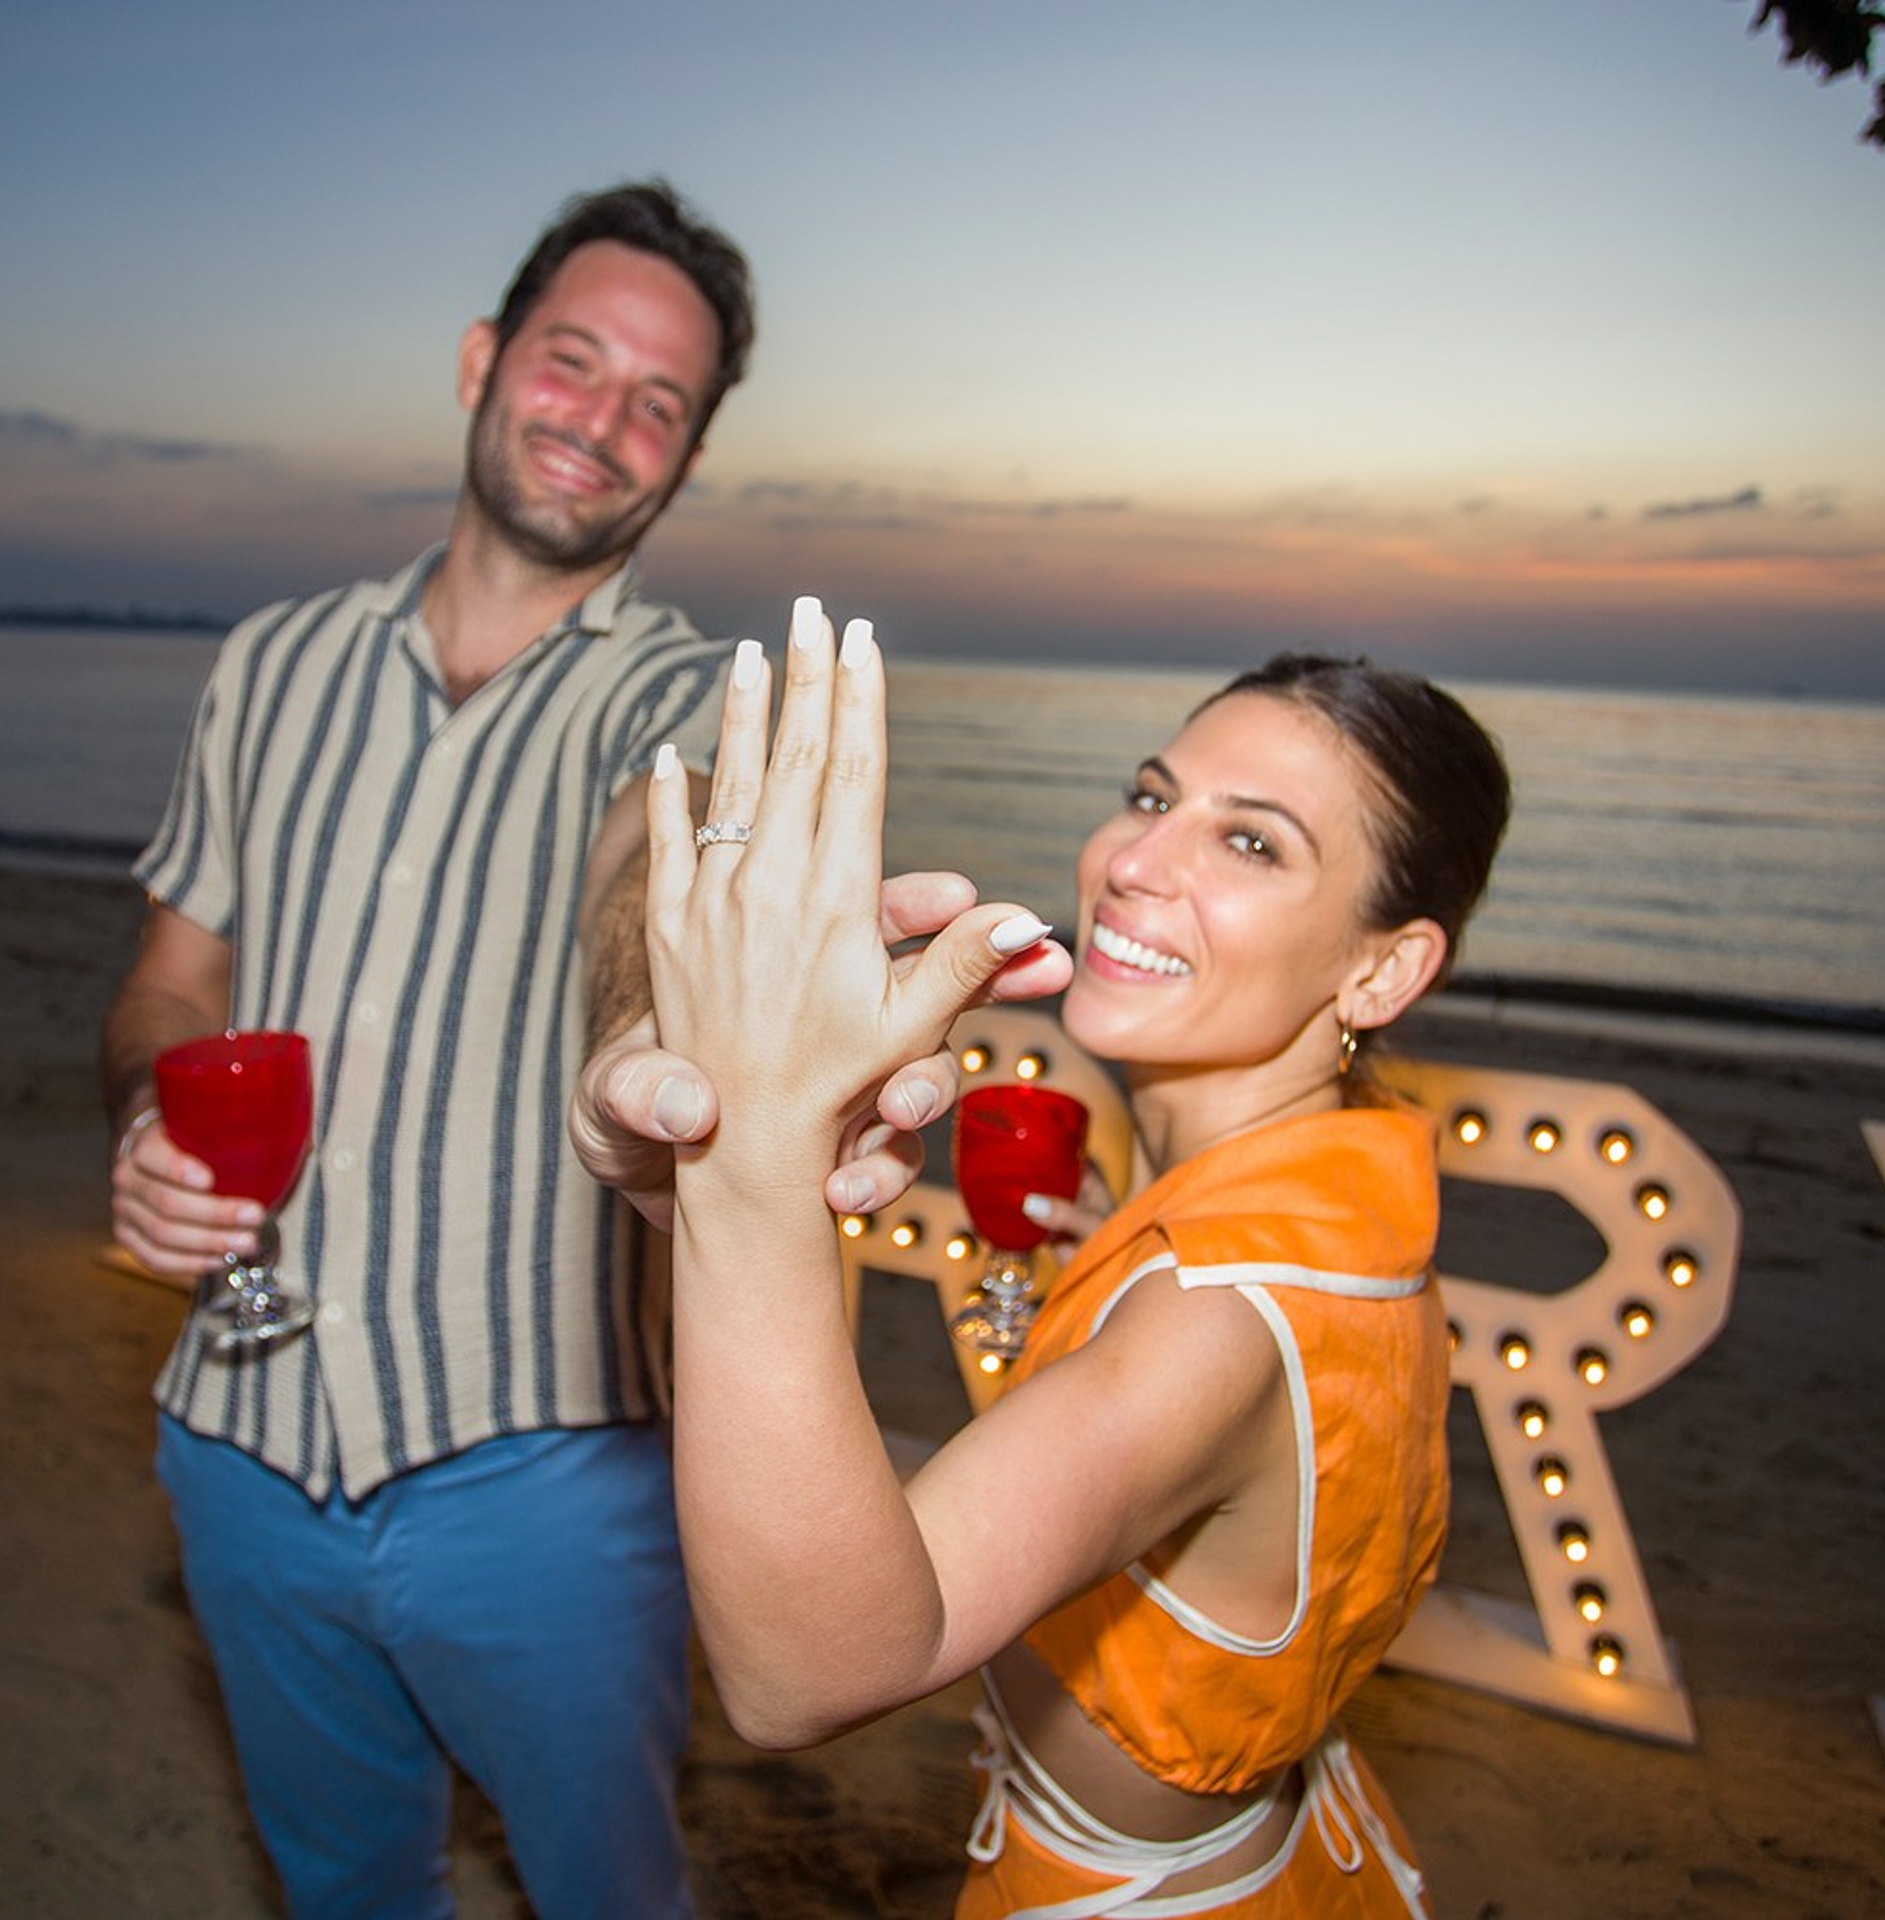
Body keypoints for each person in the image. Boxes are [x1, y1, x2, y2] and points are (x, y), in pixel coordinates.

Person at [103, 181, 911, 1920]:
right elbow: (169, 980)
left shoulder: (683, 701)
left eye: (659, 405)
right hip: (234, 1444)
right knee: (342, 1888)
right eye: (574, 362)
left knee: (610, 1893)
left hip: (550, 1484)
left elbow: (649, 874)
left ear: (685, 462)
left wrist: (650, 1058)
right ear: (484, 363)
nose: (602, 423)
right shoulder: (268, 666)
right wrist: (145, 1126)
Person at [617, 601, 1512, 1916]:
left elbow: (808, 1670)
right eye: (1153, 793)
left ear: (1385, 972)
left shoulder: (1208, 1321)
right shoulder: (1347, 1211)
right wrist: (1124, 1250)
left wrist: (749, 1155)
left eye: (1252, 842)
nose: (1136, 859)